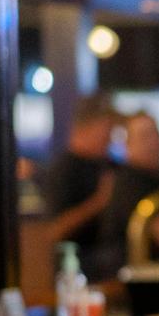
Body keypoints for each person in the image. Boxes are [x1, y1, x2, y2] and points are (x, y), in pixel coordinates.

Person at [93, 111, 159, 276]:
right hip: (135, 290)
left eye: (156, 134)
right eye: (145, 136)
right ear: (128, 146)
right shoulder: (127, 183)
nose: (153, 143)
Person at [41, 94, 119, 277]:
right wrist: (98, 202)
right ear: (88, 126)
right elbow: (54, 231)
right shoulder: (64, 169)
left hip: (110, 264)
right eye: (107, 129)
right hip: (77, 273)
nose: (111, 137)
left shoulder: (109, 164)